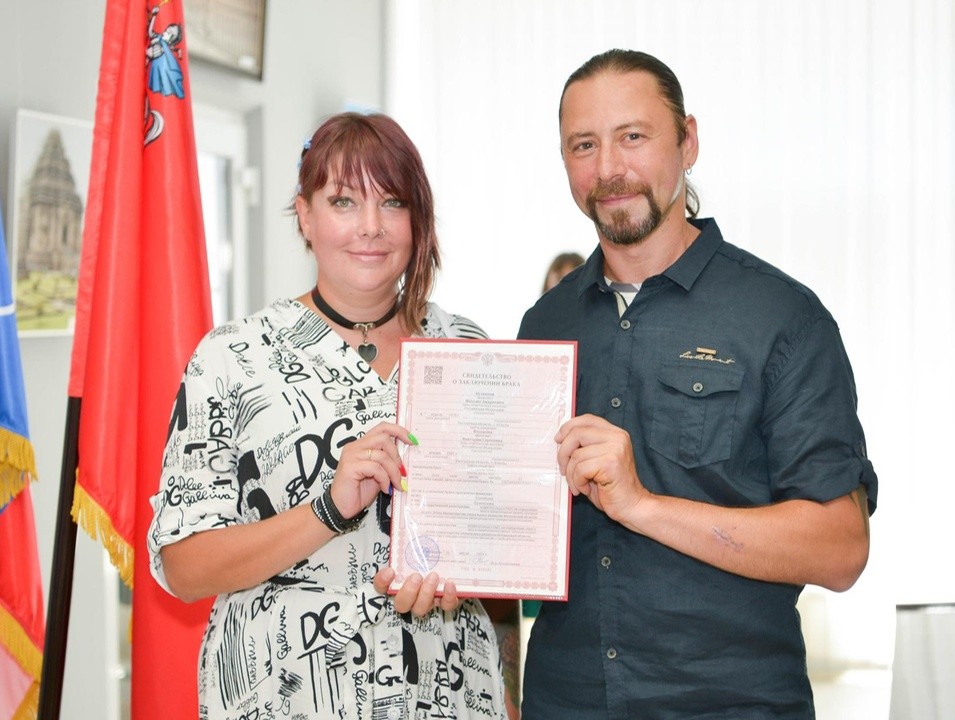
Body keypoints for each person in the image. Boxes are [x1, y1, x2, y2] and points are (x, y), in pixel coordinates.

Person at [517, 49, 878, 719]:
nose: (609, 169)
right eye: (583, 145)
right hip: (563, 702)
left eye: (634, 136)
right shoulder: (546, 321)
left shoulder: (781, 317)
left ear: (688, 142)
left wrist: (643, 505)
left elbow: (840, 549)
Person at [147, 112, 508, 720]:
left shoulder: (466, 348)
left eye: (392, 202)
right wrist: (327, 509)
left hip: (446, 690)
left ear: (418, 219)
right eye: (343, 201)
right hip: (280, 693)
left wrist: (472, 574)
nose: (370, 227)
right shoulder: (234, 358)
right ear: (306, 216)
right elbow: (183, 566)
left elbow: (504, 539)